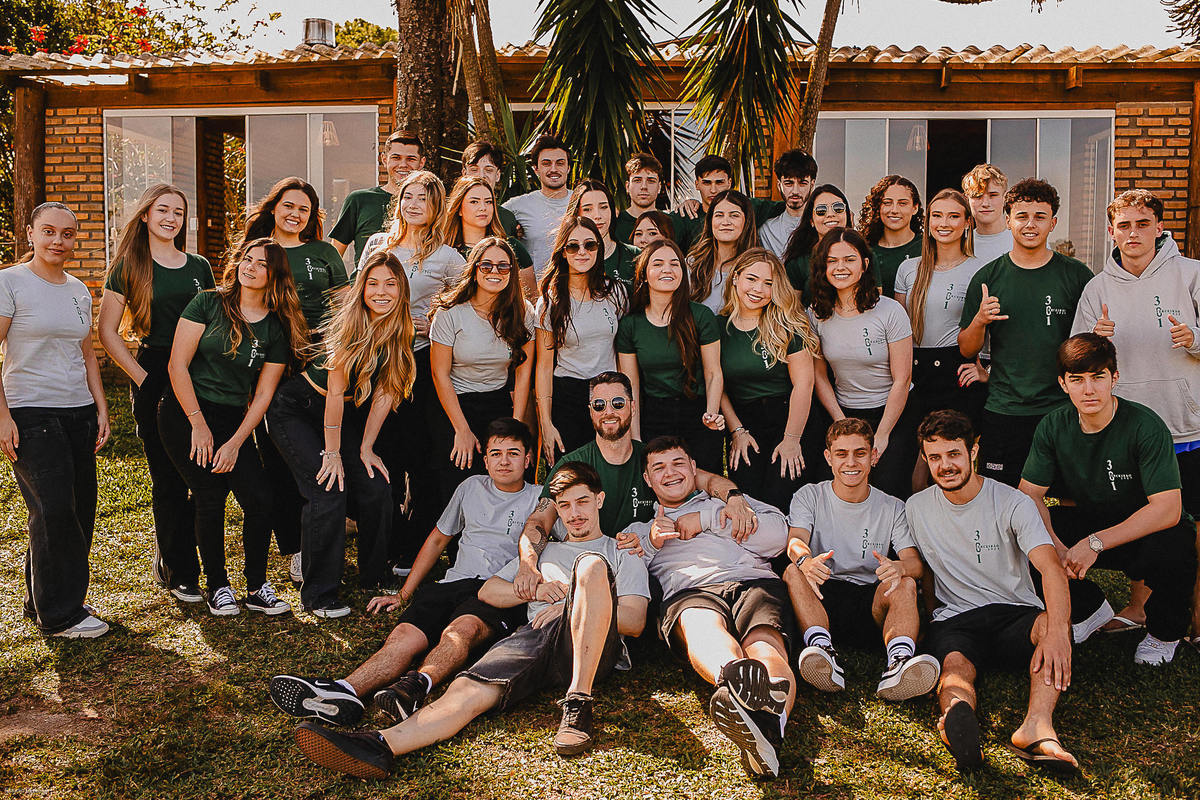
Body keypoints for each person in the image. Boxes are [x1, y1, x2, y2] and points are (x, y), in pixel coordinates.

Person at [292, 462, 650, 776]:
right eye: (565, 506)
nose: (574, 513)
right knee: (467, 688)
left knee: (588, 567)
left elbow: (633, 620)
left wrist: (575, 602)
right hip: (535, 637)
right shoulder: (545, 552)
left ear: (599, 500)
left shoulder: (619, 550)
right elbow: (488, 591)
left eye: (583, 502)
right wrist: (536, 592)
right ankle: (380, 745)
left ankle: (578, 704)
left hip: (591, 646)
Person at [269, 418, 539, 726]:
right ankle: (342, 690)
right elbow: (438, 539)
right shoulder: (471, 487)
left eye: (513, 453)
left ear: (528, 458)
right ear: (486, 458)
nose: (504, 461)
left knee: (461, 632)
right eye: (496, 453)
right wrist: (404, 593)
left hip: (496, 592)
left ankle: (413, 687)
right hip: (452, 582)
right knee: (402, 638)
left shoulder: (540, 498)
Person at [908, 410, 1076, 773]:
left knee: (1049, 626)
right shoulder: (915, 508)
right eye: (934, 457)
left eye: (953, 454)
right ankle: (958, 721)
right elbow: (916, 567)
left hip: (1015, 612)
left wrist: (1060, 631)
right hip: (957, 619)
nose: (945, 465)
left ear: (973, 451)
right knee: (953, 668)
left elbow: (1050, 568)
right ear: (925, 458)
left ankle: (1037, 728)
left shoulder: (1013, 502)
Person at [1018, 334, 1198, 665]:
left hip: (1144, 527)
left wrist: (1095, 544)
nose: (1089, 389)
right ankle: (1089, 609)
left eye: (1098, 377)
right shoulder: (1053, 426)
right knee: (1023, 536)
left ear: (1114, 378)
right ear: (1063, 384)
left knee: (1176, 546)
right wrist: (1056, 547)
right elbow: (1028, 495)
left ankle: (1163, 633)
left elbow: (1168, 509)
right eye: (1077, 379)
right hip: (1092, 519)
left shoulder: (1145, 426)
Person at [621, 436, 795, 777]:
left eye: (678, 464)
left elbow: (779, 537)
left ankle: (764, 722)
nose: (670, 473)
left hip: (751, 580)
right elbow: (625, 578)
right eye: (658, 467)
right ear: (647, 480)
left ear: (694, 469)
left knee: (765, 643)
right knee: (700, 624)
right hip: (691, 591)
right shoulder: (639, 529)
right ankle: (740, 686)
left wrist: (708, 518)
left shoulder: (730, 506)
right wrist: (652, 544)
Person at [1071, 189, 1200, 638]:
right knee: (1140, 522)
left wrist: (1195, 340)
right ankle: (1140, 607)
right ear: (1111, 231)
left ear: (1160, 227)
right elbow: (1076, 358)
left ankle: (1191, 617)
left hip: (1184, 424)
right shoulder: (1098, 287)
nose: (1133, 232)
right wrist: (1094, 337)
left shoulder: (1191, 275)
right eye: (1123, 225)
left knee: (1188, 527)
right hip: (1124, 429)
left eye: (1142, 223)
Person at [158, 238, 308, 615]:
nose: (250, 267)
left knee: (260, 499)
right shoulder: (208, 302)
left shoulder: (276, 328)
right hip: (184, 412)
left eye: (261, 264)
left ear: (274, 276)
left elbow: (263, 395)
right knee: (209, 495)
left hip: (233, 420)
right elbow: (177, 366)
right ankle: (217, 586)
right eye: (247, 259)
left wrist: (237, 441)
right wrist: (198, 425)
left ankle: (256, 587)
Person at [266, 251, 416, 614]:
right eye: (373, 284)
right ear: (362, 288)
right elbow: (334, 393)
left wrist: (365, 448)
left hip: (341, 418)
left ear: (401, 291)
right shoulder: (349, 327)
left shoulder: (400, 331)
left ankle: (374, 576)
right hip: (298, 410)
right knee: (326, 488)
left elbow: (386, 393)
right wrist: (332, 454)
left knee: (377, 484)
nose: (381, 292)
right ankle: (319, 594)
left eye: (390, 284)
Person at [98, 184, 213, 600]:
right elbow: (107, 332)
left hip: (199, 375)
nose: (171, 218)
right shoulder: (129, 265)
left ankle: (204, 561)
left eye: (179, 212)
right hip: (154, 372)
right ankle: (179, 568)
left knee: (199, 473)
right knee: (167, 478)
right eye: (163, 210)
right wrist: (143, 379)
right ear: (146, 215)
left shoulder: (200, 266)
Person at [1, 201, 110, 639]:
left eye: (67, 234)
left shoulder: (79, 290)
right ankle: (61, 616)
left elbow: (86, 354)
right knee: (54, 511)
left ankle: (40, 598)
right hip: (29, 410)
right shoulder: (10, 282)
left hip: (78, 412)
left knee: (79, 510)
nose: (57, 242)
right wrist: (3, 416)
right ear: (30, 234)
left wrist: (101, 407)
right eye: (48, 232)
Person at [520, 371, 759, 568]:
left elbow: (709, 481)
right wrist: (528, 566)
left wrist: (735, 498)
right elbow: (540, 520)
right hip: (586, 562)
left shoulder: (652, 460)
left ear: (633, 407)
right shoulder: (573, 465)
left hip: (644, 563)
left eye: (618, 403)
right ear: (591, 411)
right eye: (600, 405)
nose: (608, 412)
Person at [782, 419, 939, 700]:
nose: (851, 462)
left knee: (904, 584)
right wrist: (806, 561)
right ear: (829, 458)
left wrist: (898, 567)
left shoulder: (893, 506)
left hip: (870, 602)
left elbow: (915, 564)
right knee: (793, 572)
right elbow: (795, 542)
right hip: (823, 593)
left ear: (873, 456)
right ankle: (822, 650)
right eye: (841, 454)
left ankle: (899, 662)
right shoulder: (810, 495)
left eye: (860, 453)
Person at [360, 170, 466, 573]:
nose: (414, 203)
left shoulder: (447, 256)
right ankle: (382, 541)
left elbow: (462, 303)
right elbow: (361, 297)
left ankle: (413, 544)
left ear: (436, 205)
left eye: (424, 197)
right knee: (382, 450)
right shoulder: (378, 244)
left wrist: (433, 319)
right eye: (408, 195)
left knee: (419, 454)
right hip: (378, 358)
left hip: (421, 361)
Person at [243, 176, 349, 576]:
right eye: (289, 205)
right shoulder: (256, 253)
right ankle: (293, 547)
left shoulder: (322, 252)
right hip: (268, 360)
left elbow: (343, 306)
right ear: (274, 207)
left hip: (318, 365)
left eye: (304, 209)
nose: (295, 214)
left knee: (315, 452)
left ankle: (317, 538)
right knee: (275, 457)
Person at [958, 178, 1093, 488]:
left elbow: (1092, 343)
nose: (1030, 224)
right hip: (1005, 409)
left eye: (1040, 217)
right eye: (1021, 216)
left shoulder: (1075, 275)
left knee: (1061, 500)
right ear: (1008, 220)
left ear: (1053, 222)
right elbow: (966, 349)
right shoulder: (989, 276)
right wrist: (980, 320)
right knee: (1000, 497)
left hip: (1062, 410)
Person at [809, 228, 916, 499]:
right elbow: (819, 375)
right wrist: (841, 423)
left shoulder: (890, 311)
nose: (840, 267)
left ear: (865, 264)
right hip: (843, 410)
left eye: (849, 259)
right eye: (832, 261)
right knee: (841, 490)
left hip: (890, 413)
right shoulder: (816, 314)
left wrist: (881, 435)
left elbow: (902, 379)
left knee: (889, 489)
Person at [429, 237, 534, 503]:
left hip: (497, 400)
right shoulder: (450, 312)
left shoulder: (523, 313)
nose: (495, 272)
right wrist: (462, 430)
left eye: (503, 266)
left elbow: (523, 376)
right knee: (458, 476)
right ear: (474, 270)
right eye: (486, 266)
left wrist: (516, 425)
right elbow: (439, 374)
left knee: (501, 477)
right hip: (455, 402)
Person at [718, 248, 817, 510]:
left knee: (781, 499)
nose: (758, 289)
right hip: (745, 424)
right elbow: (716, 384)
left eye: (768, 283)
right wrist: (736, 431)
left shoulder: (787, 324)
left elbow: (804, 385)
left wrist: (792, 439)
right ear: (736, 278)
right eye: (752, 279)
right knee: (749, 502)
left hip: (790, 418)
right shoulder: (718, 327)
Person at [616, 239, 725, 473]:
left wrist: (712, 414)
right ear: (644, 274)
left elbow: (713, 372)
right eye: (658, 263)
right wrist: (635, 438)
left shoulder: (701, 316)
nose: (668, 269)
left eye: (675, 264)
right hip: (654, 415)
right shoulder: (631, 325)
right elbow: (631, 385)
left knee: (703, 483)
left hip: (698, 412)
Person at [894, 189, 988, 433]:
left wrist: (988, 371)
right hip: (913, 372)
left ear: (968, 222)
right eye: (937, 216)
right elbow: (897, 331)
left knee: (953, 455)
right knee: (912, 459)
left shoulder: (980, 270)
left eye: (953, 216)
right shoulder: (908, 269)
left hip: (957, 372)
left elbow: (1002, 332)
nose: (943, 223)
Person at [535, 216, 627, 466]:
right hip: (569, 394)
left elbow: (624, 349)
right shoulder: (549, 302)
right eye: (573, 246)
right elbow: (543, 367)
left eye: (590, 245)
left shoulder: (615, 292)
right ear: (563, 252)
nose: (582, 252)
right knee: (573, 475)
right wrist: (546, 423)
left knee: (610, 469)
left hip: (609, 394)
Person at [329, 129, 425, 261]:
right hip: (364, 280)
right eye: (396, 158)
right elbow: (334, 257)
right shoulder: (360, 200)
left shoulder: (431, 204)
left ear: (422, 163)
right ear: (384, 159)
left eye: (411, 159)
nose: (403, 165)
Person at [674, 155, 784, 254]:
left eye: (719, 182)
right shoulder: (688, 215)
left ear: (729, 183)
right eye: (707, 183)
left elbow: (789, 207)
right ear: (697, 184)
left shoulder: (747, 207)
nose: (713, 190)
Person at [439, 176, 533, 289]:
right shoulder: (443, 251)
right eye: (474, 202)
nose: (483, 207)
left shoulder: (512, 247)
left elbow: (530, 299)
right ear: (459, 208)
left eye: (488, 202)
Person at [503, 133, 572, 279]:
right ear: (536, 169)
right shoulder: (518, 205)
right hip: (535, 294)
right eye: (546, 163)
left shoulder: (584, 200)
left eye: (560, 163)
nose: (553, 169)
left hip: (579, 293)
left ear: (568, 168)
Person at [687, 189, 760, 313]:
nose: (725, 222)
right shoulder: (692, 264)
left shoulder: (759, 267)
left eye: (734, 215)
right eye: (719, 215)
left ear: (746, 221)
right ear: (710, 221)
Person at [781, 184, 854, 300]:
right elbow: (792, 310)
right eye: (821, 210)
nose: (830, 214)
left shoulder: (864, 255)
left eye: (838, 208)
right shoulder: (798, 263)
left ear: (847, 215)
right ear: (811, 221)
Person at [859, 175, 924, 299]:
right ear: (878, 207)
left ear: (915, 208)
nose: (894, 210)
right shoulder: (864, 250)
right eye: (887, 203)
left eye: (902, 203)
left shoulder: (928, 248)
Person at [564, 180, 640, 283]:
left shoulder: (633, 255)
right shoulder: (569, 256)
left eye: (603, 207)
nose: (597, 215)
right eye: (587, 209)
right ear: (576, 214)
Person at [758, 149, 818, 260]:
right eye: (789, 183)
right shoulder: (766, 230)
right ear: (779, 185)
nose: (795, 191)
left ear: (812, 184)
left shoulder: (820, 226)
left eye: (802, 183)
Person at [460, 140, 520, 237]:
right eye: (474, 170)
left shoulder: (506, 218)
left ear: (497, 175)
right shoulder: (447, 215)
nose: (481, 175)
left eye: (488, 170)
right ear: (464, 173)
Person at [961, 164, 1013, 266]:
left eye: (993, 195)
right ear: (967, 200)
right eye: (978, 196)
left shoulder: (1023, 241)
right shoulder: (960, 246)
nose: (985, 203)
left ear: (1005, 198)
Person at [613, 152, 665, 244]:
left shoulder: (672, 222)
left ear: (659, 187)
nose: (644, 186)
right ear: (627, 186)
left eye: (651, 181)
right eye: (637, 180)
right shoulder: (614, 224)